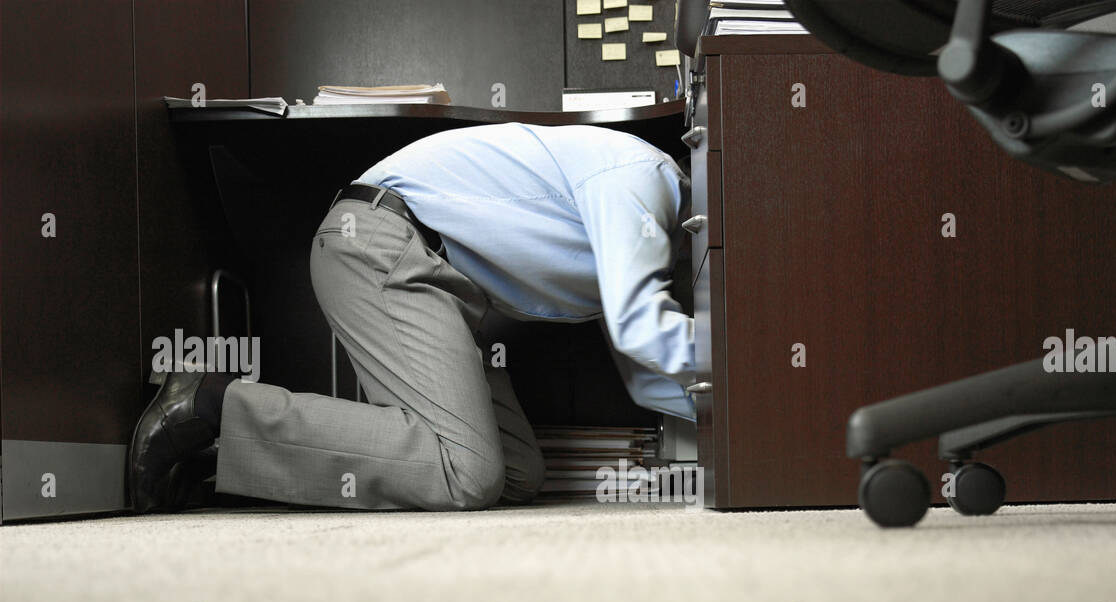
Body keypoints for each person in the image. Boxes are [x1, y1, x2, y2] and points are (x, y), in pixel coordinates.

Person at [127, 122, 697, 513]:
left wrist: (722, 411)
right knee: (469, 476)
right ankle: (212, 405)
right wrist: (755, 376)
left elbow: (646, 374)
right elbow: (641, 327)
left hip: (437, 290)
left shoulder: (655, 235)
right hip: (382, 246)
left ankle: (213, 462)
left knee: (520, 474)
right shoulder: (643, 181)